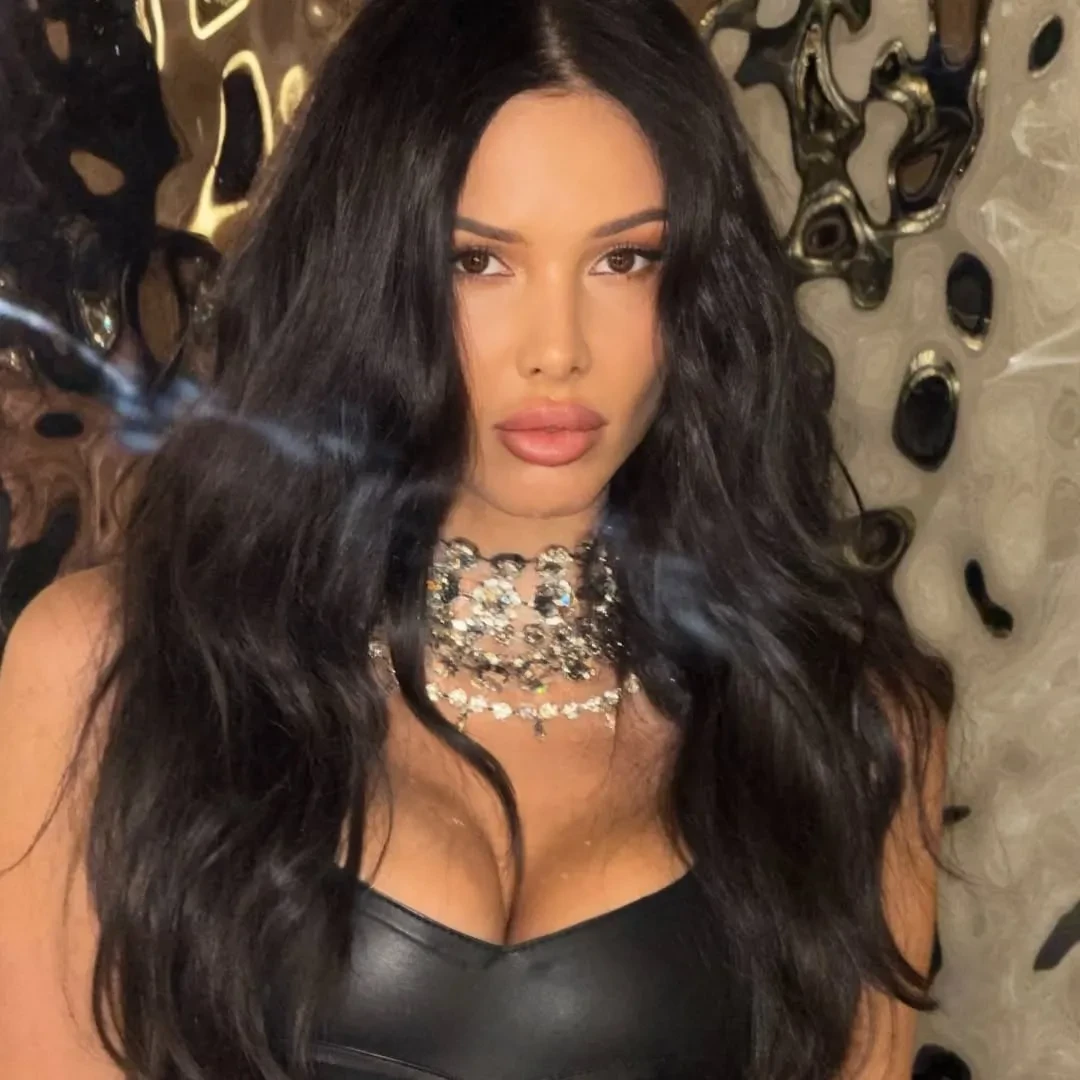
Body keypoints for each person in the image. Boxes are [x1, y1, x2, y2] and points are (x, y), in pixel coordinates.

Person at [0, 1, 953, 1078]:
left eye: (626, 260)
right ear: (366, 272)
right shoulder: (109, 670)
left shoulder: (850, 726)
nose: (558, 349)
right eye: (479, 262)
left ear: (702, 288)